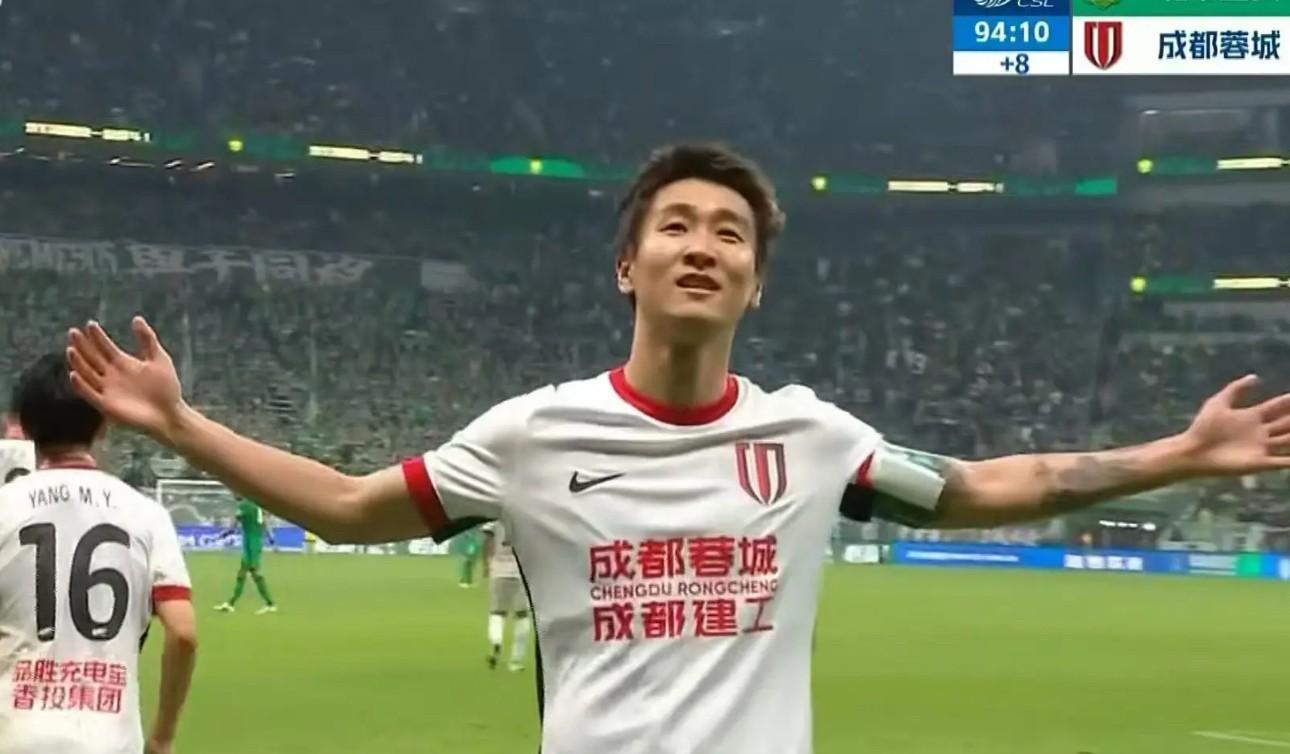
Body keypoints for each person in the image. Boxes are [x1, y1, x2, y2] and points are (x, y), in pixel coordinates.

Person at [65, 143, 1290, 754]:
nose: (704, 245)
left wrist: (1177, 454)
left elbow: (977, 486)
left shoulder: (812, 434)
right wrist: (183, 423)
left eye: (731, 234)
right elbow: (344, 505)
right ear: (628, 263)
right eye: (678, 225)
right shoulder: (532, 434)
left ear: (755, 282)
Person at [0, 354, 197, 754]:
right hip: (112, 740)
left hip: (17, 736)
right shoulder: (148, 515)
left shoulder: (5, 507)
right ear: (103, 422)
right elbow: (184, 633)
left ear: (25, 427)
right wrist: (162, 738)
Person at [213, 496, 278, 614]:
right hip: (255, 542)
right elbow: (265, 521)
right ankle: (230, 603)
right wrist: (270, 536)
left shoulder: (243, 505)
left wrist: (223, 534)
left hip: (250, 543)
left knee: (255, 572)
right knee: (243, 573)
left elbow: (233, 526)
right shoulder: (258, 504)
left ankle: (270, 604)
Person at [481, 520, 531, 671]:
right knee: (522, 616)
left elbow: (487, 542)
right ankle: (516, 660)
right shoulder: (525, 516)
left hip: (499, 570)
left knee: (497, 613)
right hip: (521, 572)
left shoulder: (493, 515)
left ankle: (496, 642)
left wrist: (486, 565)